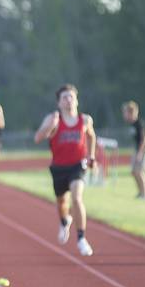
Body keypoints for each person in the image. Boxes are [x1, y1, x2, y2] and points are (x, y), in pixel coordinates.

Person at [34, 84, 96, 257]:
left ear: (76, 100)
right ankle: (64, 221)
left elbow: (91, 135)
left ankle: (81, 238)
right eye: (64, 98)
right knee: (62, 202)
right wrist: (50, 127)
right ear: (59, 103)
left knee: (76, 198)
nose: (68, 100)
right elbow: (37, 138)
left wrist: (91, 156)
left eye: (71, 97)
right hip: (59, 167)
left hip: (78, 166)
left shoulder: (85, 120)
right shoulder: (53, 118)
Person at [122, 101, 145, 200]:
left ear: (131, 112)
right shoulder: (132, 124)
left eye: (125, 112)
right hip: (137, 151)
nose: (124, 115)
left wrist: (140, 153)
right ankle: (140, 193)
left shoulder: (139, 123)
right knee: (133, 172)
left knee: (139, 172)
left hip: (144, 151)